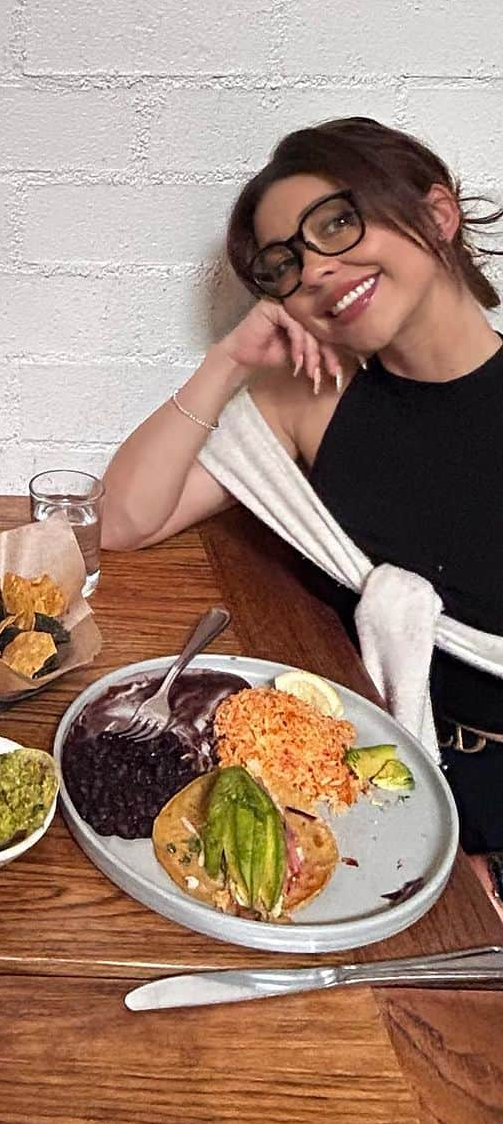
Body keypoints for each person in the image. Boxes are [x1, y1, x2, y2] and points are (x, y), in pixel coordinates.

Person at [102, 116, 503, 907]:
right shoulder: (310, 399)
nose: (316, 270)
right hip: (363, 797)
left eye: (337, 223)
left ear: (437, 213)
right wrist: (229, 361)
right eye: (284, 264)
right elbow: (120, 518)